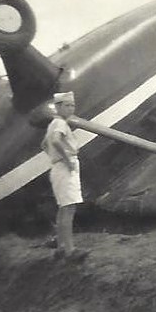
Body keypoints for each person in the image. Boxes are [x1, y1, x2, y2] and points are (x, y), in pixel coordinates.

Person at [42, 92, 88, 262]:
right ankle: (70, 251)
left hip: (58, 168)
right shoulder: (60, 123)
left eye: (73, 105)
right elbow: (55, 141)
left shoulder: (53, 123)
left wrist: (54, 158)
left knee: (64, 208)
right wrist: (67, 159)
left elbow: (44, 144)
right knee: (69, 209)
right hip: (65, 167)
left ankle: (62, 247)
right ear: (58, 107)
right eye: (67, 105)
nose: (71, 108)